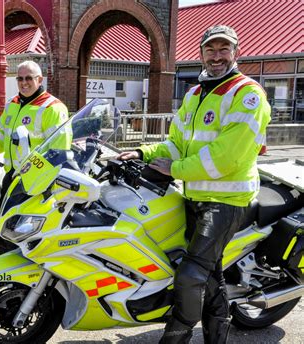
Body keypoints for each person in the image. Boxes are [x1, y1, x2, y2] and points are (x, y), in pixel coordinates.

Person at [118, 25, 271, 343]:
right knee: (210, 276)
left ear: (235, 53)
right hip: (194, 195)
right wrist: (142, 152)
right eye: (210, 50)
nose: (216, 56)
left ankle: (176, 337)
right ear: (201, 53)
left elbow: (225, 157)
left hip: (227, 201)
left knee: (189, 275)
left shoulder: (247, 94)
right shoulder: (195, 94)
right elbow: (176, 142)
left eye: (223, 49)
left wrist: (175, 169)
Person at [0, 60, 69, 251]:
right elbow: (2, 135)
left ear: (40, 79)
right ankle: (4, 263)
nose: (24, 82)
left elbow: (59, 151)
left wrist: (45, 182)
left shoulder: (53, 108)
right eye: (20, 78)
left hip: (35, 182)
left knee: (23, 231)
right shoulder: (13, 104)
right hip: (12, 177)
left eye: (29, 78)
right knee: (4, 225)